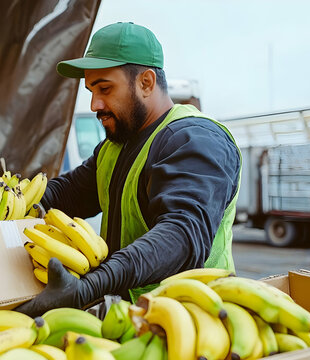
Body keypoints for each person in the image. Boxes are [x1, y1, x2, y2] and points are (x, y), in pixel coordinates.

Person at [15, 22, 241, 317]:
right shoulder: (116, 146)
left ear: (146, 82)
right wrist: (6, 200)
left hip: (191, 321)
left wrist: (90, 287)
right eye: (91, 90)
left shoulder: (195, 140)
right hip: (127, 319)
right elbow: (69, 194)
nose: (95, 104)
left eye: (105, 88)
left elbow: (182, 236)